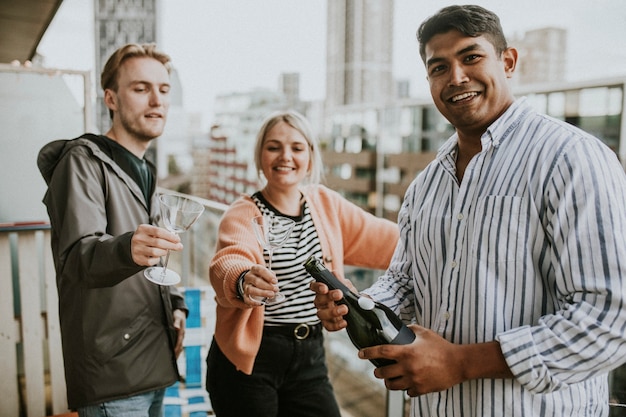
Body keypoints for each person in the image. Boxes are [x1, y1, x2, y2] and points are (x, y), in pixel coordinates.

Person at [311, 5, 626, 416]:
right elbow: (408, 280)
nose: (456, 77)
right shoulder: (426, 184)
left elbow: (608, 319)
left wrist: (460, 364)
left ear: (508, 61)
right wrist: (357, 303)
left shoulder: (571, 158)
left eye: (471, 57)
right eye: (438, 67)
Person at [206, 110, 399, 417]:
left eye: (297, 148)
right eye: (273, 147)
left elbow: (388, 241)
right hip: (251, 359)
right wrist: (242, 279)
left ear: (310, 157)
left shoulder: (325, 204)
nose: (286, 156)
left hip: (310, 354)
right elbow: (228, 261)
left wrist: (435, 242)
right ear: (259, 156)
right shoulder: (243, 212)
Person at [37, 43, 187, 417]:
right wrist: (125, 249)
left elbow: (154, 256)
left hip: (154, 359)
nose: (157, 99)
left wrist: (177, 305)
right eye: (141, 88)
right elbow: (77, 258)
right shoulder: (82, 162)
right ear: (111, 98)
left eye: (164, 90)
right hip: (113, 376)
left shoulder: (146, 170)